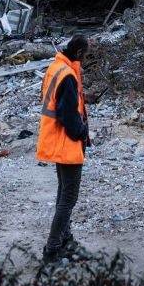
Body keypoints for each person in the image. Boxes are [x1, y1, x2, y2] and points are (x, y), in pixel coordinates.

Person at [36, 35, 91, 263]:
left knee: (63, 195)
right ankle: (53, 249)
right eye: (86, 55)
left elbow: (58, 102)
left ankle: (66, 241)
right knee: (68, 198)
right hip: (66, 142)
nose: (86, 59)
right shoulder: (67, 75)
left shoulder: (56, 67)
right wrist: (81, 132)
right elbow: (67, 114)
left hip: (56, 139)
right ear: (78, 52)